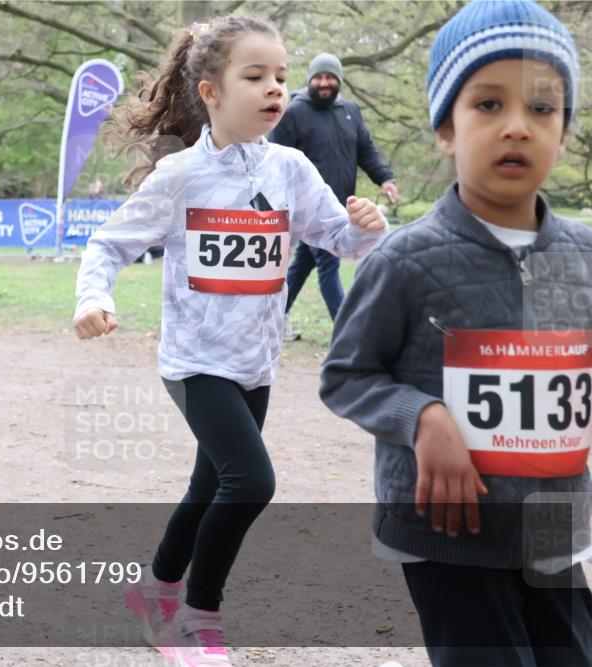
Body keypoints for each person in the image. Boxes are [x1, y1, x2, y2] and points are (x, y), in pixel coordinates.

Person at [73, 15, 387, 665]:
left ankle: (153, 590)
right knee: (249, 482)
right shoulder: (181, 176)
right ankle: (197, 616)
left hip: (255, 363)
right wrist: (92, 298)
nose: (276, 87)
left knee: (207, 488)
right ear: (212, 92)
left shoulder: (293, 169)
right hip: (194, 362)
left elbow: (341, 241)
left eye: (281, 76)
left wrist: (366, 223)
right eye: (256, 76)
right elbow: (108, 244)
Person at [320, 2, 591, 665]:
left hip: (553, 529)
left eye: (543, 109)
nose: (518, 128)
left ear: (564, 130)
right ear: (446, 129)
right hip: (448, 534)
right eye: (489, 105)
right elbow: (346, 375)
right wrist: (422, 415)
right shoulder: (406, 259)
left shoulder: (582, 253)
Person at [267, 52, 399, 340]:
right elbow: (275, 160)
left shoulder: (350, 111)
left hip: (343, 206)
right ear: (310, 79)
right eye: (319, 77)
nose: (324, 83)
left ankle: (272, 318)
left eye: (330, 77)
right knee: (329, 265)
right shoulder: (294, 112)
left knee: (303, 264)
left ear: (338, 80)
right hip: (309, 209)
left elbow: (366, 151)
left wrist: (385, 179)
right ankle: (347, 333)